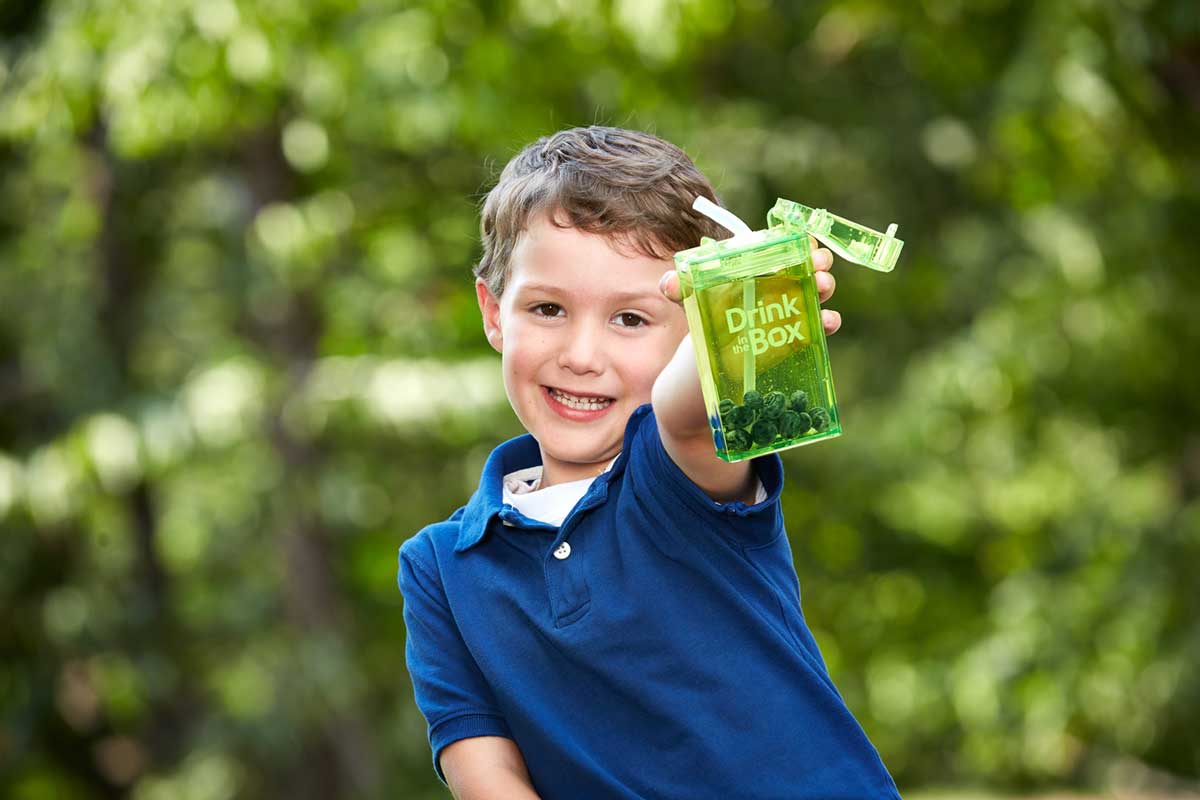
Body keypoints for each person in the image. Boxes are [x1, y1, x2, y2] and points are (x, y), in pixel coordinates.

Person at [398, 126, 901, 799]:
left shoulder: (675, 475)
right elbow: (487, 776)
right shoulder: (440, 570)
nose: (581, 354)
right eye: (548, 308)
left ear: (696, 328)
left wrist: (740, 307)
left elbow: (684, 414)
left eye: (630, 320)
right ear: (494, 312)